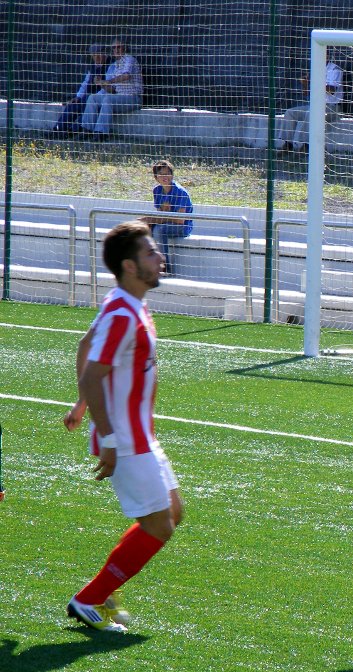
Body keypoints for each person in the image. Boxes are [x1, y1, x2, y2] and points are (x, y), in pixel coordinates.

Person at [63, 220, 181, 632]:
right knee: (159, 524)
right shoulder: (122, 313)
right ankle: (89, 599)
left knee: (172, 513)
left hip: (140, 434)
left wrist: (81, 403)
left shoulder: (127, 303)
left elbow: (85, 345)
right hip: (126, 438)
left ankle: (103, 588)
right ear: (130, 266)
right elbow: (93, 374)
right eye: (150, 253)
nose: (159, 258)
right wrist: (109, 438)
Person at [79, 38, 142, 140]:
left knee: (108, 99)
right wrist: (101, 83)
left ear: (124, 48)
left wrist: (109, 81)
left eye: (119, 47)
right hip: (119, 97)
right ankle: (87, 130)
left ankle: (100, 133)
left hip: (133, 98)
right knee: (92, 98)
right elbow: (112, 90)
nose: (116, 50)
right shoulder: (116, 64)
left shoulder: (129, 59)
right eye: (114, 48)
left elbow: (126, 76)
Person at [277, 60, 343, 153]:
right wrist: (305, 84)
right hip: (316, 106)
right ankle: (287, 144)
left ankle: (307, 145)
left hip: (332, 107)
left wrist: (314, 82)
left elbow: (332, 90)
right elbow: (306, 93)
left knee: (311, 113)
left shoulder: (335, 69)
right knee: (290, 113)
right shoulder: (315, 69)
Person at [140, 160, 193, 276]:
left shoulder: (180, 192)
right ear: (156, 177)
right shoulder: (157, 190)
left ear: (172, 175)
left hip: (183, 227)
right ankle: (147, 264)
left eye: (168, 173)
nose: (165, 177)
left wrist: (157, 218)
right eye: (161, 174)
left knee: (159, 229)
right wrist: (151, 220)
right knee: (144, 228)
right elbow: (161, 215)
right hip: (166, 223)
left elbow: (180, 220)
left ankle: (164, 267)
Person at [49, 44, 108, 137]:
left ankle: (73, 131)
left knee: (88, 106)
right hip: (87, 96)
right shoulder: (92, 67)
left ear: (104, 53)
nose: (97, 57)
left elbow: (109, 87)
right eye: (94, 55)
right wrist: (78, 96)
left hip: (99, 98)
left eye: (99, 54)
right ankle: (58, 129)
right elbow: (85, 83)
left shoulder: (110, 66)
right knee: (73, 105)